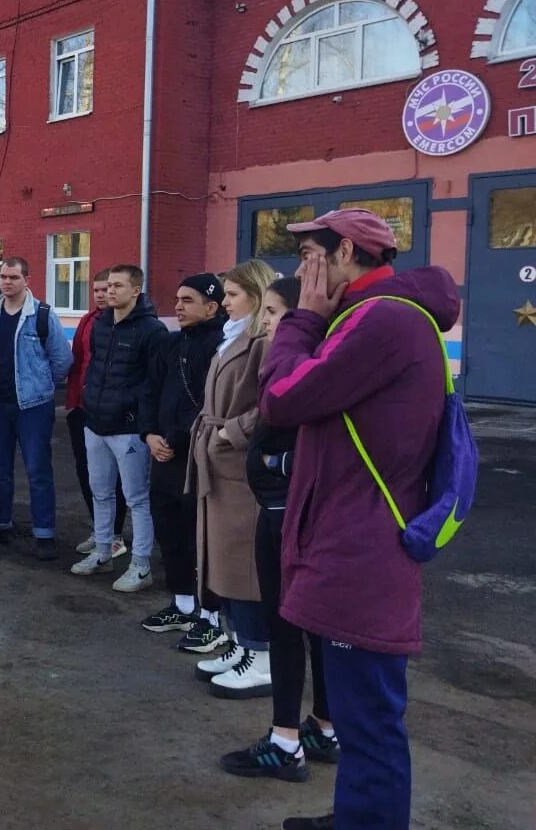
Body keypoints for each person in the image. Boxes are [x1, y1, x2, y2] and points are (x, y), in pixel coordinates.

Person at [261, 209, 459, 830]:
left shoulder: (383, 319)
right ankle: (358, 815)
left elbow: (282, 397)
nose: (301, 273)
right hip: (351, 537)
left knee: (369, 717)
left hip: (362, 547)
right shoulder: (376, 317)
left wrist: (303, 320)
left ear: (344, 252)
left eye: (310, 256)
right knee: (354, 709)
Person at [219, 275, 340, 784]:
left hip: (283, 514)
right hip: (292, 510)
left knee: (287, 624)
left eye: (273, 312)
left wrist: (275, 463)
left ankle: (285, 741)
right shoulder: (320, 363)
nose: (265, 321)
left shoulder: (300, 368)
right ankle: (323, 727)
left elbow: (295, 433)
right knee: (312, 627)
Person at [191, 259, 277, 698]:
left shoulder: (262, 341)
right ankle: (242, 643)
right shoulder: (233, 338)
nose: (224, 303)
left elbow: (273, 404)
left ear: (257, 296)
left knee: (244, 564)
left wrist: (229, 431)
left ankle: (261, 656)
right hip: (219, 465)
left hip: (240, 469)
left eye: (232, 295)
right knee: (222, 559)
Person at [139, 273, 226, 652]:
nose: (178, 306)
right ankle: (182, 603)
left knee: (200, 537)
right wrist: (149, 434)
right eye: (176, 298)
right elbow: (150, 390)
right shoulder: (171, 344)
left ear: (212, 306)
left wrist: (173, 437)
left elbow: (208, 403)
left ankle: (211, 616)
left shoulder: (220, 346)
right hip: (163, 456)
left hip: (198, 457)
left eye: (188, 300)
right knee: (170, 530)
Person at [0, 257, 73, 560]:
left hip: (33, 406)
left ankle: (44, 533)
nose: (6, 282)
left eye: (13, 277)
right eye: (2, 277)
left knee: (37, 470)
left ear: (27, 280)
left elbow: (61, 361)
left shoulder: (41, 315)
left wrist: (40, 386)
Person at [74, 264, 168, 590]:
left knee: (136, 498)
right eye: (108, 285)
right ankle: (102, 553)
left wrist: (147, 424)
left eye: (118, 286)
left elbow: (155, 383)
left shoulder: (152, 331)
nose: (110, 291)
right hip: (95, 422)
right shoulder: (100, 324)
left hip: (128, 428)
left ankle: (141, 566)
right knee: (100, 493)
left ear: (135, 290)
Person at [67, 269, 127, 559]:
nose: (102, 295)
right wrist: (73, 402)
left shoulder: (128, 324)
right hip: (82, 408)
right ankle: (100, 530)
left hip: (114, 412)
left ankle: (116, 535)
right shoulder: (87, 321)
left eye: (108, 289)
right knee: (88, 472)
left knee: (117, 477)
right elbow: (77, 362)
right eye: (97, 290)